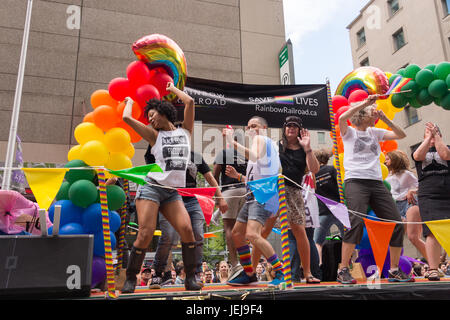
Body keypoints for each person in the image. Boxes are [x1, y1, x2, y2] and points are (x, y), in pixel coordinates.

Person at [120, 82, 201, 293]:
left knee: (186, 230)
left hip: (171, 192)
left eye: (153, 114)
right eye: (148, 118)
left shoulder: (186, 132)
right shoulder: (155, 136)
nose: (151, 119)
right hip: (151, 187)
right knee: (145, 233)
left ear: (164, 111)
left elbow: (190, 101)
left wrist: (172, 89)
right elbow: (126, 119)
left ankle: (190, 278)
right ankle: (131, 278)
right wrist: (129, 102)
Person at [336, 95, 413, 284]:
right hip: (355, 181)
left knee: (396, 223)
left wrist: (385, 119)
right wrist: (365, 103)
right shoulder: (350, 133)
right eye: (372, 110)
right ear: (362, 114)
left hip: (376, 183)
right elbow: (341, 119)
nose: (375, 111)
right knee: (355, 222)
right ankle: (343, 269)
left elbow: (401, 135)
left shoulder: (375, 132)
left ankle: (394, 270)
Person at [145, 150, 228, 289]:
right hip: (169, 200)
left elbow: (210, 177)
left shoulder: (195, 156)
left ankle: (195, 273)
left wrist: (220, 198)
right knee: (168, 237)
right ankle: (158, 273)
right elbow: (150, 156)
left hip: (191, 201)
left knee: (198, 235)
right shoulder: (164, 152)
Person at [223, 116, 285, 287]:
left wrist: (232, 142)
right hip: (254, 194)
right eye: (249, 126)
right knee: (237, 233)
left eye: (255, 125)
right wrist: (238, 176)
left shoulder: (261, 139)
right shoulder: (266, 145)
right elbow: (258, 175)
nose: (251, 129)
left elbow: (257, 157)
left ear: (264, 127)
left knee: (251, 234)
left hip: (262, 196)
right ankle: (249, 273)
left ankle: (280, 271)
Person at [412, 122, 450, 281]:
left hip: (447, 192)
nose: (431, 136)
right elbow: (417, 156)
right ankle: (433, 269)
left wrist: (437, 137)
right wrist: (428, 139)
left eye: (434, 133)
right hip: (428, 194)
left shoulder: (446, 146)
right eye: (427, 133)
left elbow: (446, 156)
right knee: (431, 231)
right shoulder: (419, 149)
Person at [212, 134, 248, 279]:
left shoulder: (224, 153)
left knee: (229, 229)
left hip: (229, 192)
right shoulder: (247, 154)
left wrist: (217, 196)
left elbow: (214, 175)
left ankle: (234, 264)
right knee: (242, 230)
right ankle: (246, 263)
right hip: (246, 192)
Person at [384, 150, 427, 261]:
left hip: (409, 203)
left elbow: (421, 187)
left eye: (387, 159)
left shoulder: (406, 174)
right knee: (394, 239)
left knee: (413, 237)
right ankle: (393, 266)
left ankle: (434, 263)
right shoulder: (386, 176)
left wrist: (412, 191)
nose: (385, 161)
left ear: (395, 160)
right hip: (395, 206)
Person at [313, 149, 345, 265]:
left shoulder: (313, 174)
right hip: (338, 208)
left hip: (323, 210)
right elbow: (340, 185)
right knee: (348, 238)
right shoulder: (331, 170)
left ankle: (319, 264)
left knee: (317, 241)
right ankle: (349, 263)